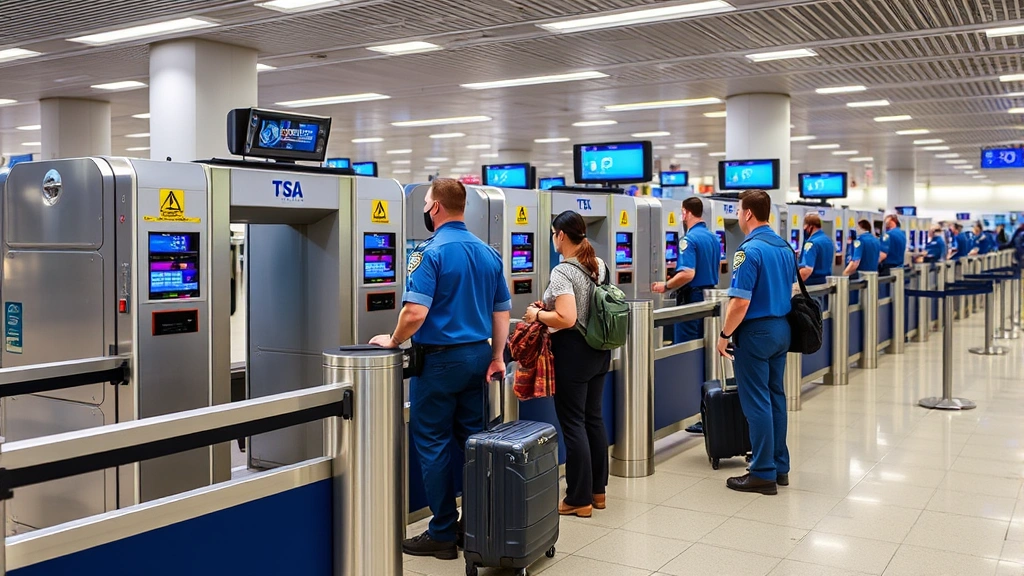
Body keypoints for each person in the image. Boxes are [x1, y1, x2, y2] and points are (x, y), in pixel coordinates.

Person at [370, 178, 511, 560]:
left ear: (434, 208)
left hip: (439, 362)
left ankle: (443, 532)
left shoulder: (428, 253)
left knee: (432, 444)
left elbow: (415, 311)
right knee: (474, 444)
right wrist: (498, 357)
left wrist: (394, 340)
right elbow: (502, 312)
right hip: (479, 358)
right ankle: (476, 525)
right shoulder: (488, 254)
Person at [523, 211, 611, 518]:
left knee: (573, 424)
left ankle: (578, 498)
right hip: (600, 351)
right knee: (593, 419)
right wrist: (548, 308)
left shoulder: (563, 271)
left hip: (574, 352)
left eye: (552, 233)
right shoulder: (598, 264)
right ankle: (598, 492)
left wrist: (537, 315)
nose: (552, 239)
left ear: (561, 235)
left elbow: (568, 318)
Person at [717, 190, 793, 496]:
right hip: (781, 329)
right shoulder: (784, 246)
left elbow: (739, 303)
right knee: (776, 397)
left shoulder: (748, 251)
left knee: (757, 401)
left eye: (738, 209)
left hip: (756, 333)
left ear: (748, 213)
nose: (737, 213)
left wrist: (724, 336)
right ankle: (779, 465)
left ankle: (762, 472)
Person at [652, 196, 721, 435]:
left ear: (685, 213)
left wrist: (666, 285)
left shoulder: (689, 239)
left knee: (687, 351)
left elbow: (688, 273)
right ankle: (710, 409)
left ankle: (693, 410)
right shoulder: (713, 237)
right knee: (705, 350)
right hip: (709, 299)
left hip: (692, 299)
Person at [797, 213, 834, 286]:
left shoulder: (811, 243)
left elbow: (807, 270)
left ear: (810, 227)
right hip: (826, 283)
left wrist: (795, 284)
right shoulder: (828, 240)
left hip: (812, 285)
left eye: (805, 228)